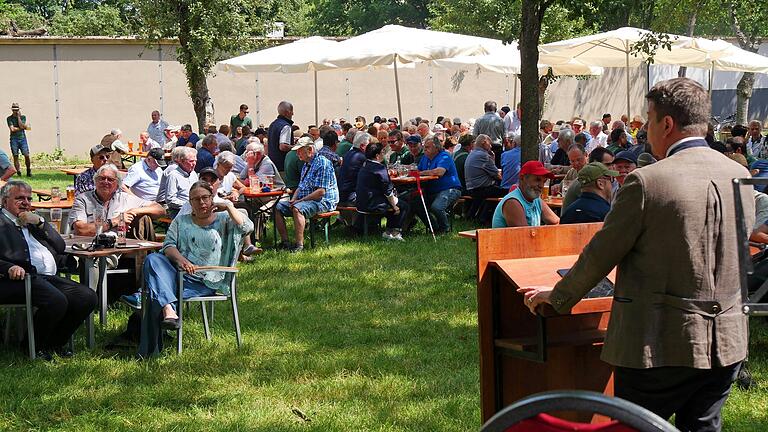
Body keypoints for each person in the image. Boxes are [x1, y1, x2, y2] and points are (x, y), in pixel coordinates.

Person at [519, 77, 753, 432]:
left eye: (649, 119)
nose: (646, 131)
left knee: (636, 426)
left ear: (667, 124)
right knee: (703, 426)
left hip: (658, 345)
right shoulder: (739, 175)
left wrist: (559, 296)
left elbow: (602, 253)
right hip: (727, 341)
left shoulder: (646, 182)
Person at [138, 180, 252, 357]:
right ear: (190, 203)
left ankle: (150, 350)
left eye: (205, 197)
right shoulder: (181, 221)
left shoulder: (225, 219)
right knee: (153, 258)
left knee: (155, 293)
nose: (201, 203)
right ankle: (168, 309)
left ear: (212, 198)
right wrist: (182, 261)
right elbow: (168, 246)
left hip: (206, 280)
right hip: (178, 273)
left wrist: (228, 205)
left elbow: (247, 227)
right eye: (196, 199)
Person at [0, 180, 97, 359]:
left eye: (29, 199)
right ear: (4, 201)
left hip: (44, 278)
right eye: (19, 198)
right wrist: (8, 267)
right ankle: (32, 347)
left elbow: (59, 246)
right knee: (56, 300)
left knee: (87, 297)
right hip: (13, 279)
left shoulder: (31, 221)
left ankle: (54, 343)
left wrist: (40, 222)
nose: (26, 203)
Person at [274, 137, 338, 252]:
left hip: (324, 201)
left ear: (309, 149)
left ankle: (299, 246)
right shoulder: (306, 164)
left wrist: (299, 201)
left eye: (300, 150)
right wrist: (293, 199)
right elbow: (300, 186)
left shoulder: (323, 163)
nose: (297, 153)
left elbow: (320, 192)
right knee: (277, 207)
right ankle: (285, 242)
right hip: (307, 200)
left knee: (297, 209)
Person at [70, 164, 165, 236]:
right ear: (95, 181)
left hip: (119, 249)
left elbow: (160, 209)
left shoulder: (125, 199)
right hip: (89, 249)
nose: (105, 182)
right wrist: (115, 221)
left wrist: (134, 211)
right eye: (102, 178)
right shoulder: (83, 199)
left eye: (110, 179)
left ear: (117, 184)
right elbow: (80, 229)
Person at [355, 142, 409, 240]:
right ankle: (394, 232)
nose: (383, 155)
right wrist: (394, 206)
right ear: (377, 155)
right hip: (373, 204)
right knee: (404, 206)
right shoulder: (380, 168)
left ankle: (389, 230)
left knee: (396, 202)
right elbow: (388, 191)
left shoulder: (364, 166)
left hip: (360, 203)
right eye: (382, 152)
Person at [414, 137, 462, 234]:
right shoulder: (425, 158)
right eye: (424, 147)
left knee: (437, 207)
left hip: (450, 189)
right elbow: (417, 171)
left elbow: (440, 172)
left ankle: (445, 229)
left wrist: (421, 173)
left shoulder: (444, 156)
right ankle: (434, 228)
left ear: (436, 148)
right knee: (415, 203)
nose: (425, 149)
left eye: (427, 147)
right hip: (431, 190)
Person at [492, 161, 559, 228]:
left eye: (544, 181)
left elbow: (557, 222)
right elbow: (524, 235)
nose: (541, 185)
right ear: (522, 178)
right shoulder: (512, 202)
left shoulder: (536, 200)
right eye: (537, 180)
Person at [465, 134, 506, 223]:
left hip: (472, 188)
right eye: (490, 144)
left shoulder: (472, 153)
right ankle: (489, 218)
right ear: (484, 143)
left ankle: (480, 216)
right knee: (507, 191)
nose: (491, 146)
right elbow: (496, 175)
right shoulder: (483, 156)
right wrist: (505, 179)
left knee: (495, 191)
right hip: (480, 189)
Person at [159, 147, 199, 216]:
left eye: (195, 161)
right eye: (191, 161)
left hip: (195, 208)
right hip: (179, 211)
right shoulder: (173, 175)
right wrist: (189, 205)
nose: (194, 164)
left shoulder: (193, 174)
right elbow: (170, 200)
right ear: (182, 161)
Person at [338, 132, 369, 205]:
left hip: (341, 196)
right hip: (351, 197)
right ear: (362, 146)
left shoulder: (348, 154)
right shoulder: (362, 157)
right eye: (369, 145)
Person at [473, 101, 505, 167]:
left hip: (483, 148)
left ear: (484, 109)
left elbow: (475, 136)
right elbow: (504, 136)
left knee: (483, 169)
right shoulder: (501, 121)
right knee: (497, 169)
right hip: (497, 149)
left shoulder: (479, 120)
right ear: (495, 109)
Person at [267, 101, 294, 173]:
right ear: (287, 112)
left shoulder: (273, 124)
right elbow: (283, 146)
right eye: (292, 111)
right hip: (282, 166)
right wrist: (295, 147)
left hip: (272, 165)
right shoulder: (286, 126)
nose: (293, 114)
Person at [7, 103, 31, 177]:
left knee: (26, 155)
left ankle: (28, 171)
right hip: (14, 139)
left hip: (22, 138)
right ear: (12, 110)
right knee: (15, 156)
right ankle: (19, 172)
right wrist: (23, 127)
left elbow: (20, 125)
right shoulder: (9, 118)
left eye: (17, 110)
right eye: (14, 110)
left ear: (18, 110)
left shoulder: (23, 117)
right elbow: (12, 129)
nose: (15, 111)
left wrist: (18, 118)